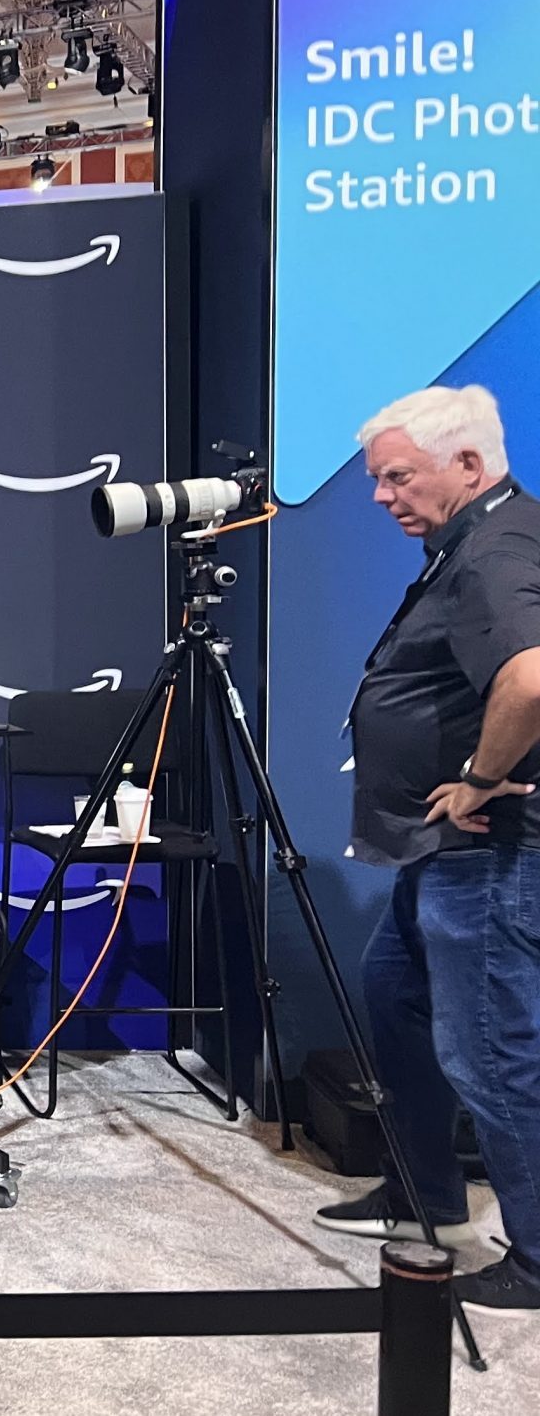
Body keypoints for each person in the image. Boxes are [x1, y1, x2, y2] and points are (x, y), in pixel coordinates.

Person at [313, 385, 540, 1316]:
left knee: (489, 1050)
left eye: (397, 476)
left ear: (470, 466)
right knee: (395, 997)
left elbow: (528, 677)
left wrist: (482, 777)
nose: (381, 496)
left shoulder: (496, 547)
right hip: (434, 851)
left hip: (486, 852)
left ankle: (536, 1258)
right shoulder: (473, 541)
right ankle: (426, 1197)